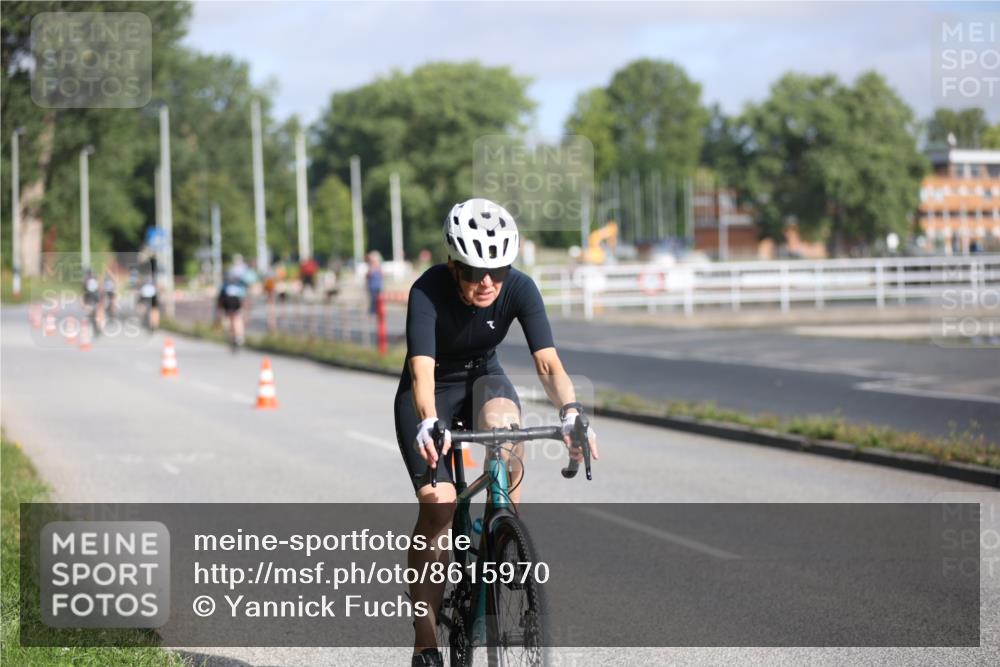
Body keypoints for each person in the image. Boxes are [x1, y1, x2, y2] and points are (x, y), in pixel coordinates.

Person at [394, 198, 599, 667]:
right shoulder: (426, 292)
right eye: (473, 271)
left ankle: (501, 532)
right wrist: (429, 420)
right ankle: (425, 640)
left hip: (484, 379)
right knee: (440, 504)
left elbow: (547, 363)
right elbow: (421, 373)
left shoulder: (520, 288)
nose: (486, 282)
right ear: (453, 264)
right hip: (431, 392)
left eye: (497, 270)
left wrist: (570, 410)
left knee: (509, 432)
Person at [216, 265, 248, 348]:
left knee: (231, 320)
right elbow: (242, 297)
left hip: (228, 303)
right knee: (237, 319)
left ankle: (233, 337)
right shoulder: (238, 283)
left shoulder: (225, 284)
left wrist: (219, 311)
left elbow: (220, 299)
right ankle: (238, 336)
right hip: (235, 302)